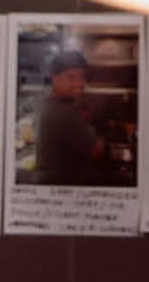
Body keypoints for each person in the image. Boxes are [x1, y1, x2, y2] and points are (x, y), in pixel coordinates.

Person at [32, 46, 105, 186]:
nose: (80, 83)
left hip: (44, 181)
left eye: (82, 77)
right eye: (71, 77)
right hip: (62, 185)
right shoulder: (66, 111)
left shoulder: (44, 100)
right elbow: (96, 150)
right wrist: (100, 137)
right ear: (55, 79)